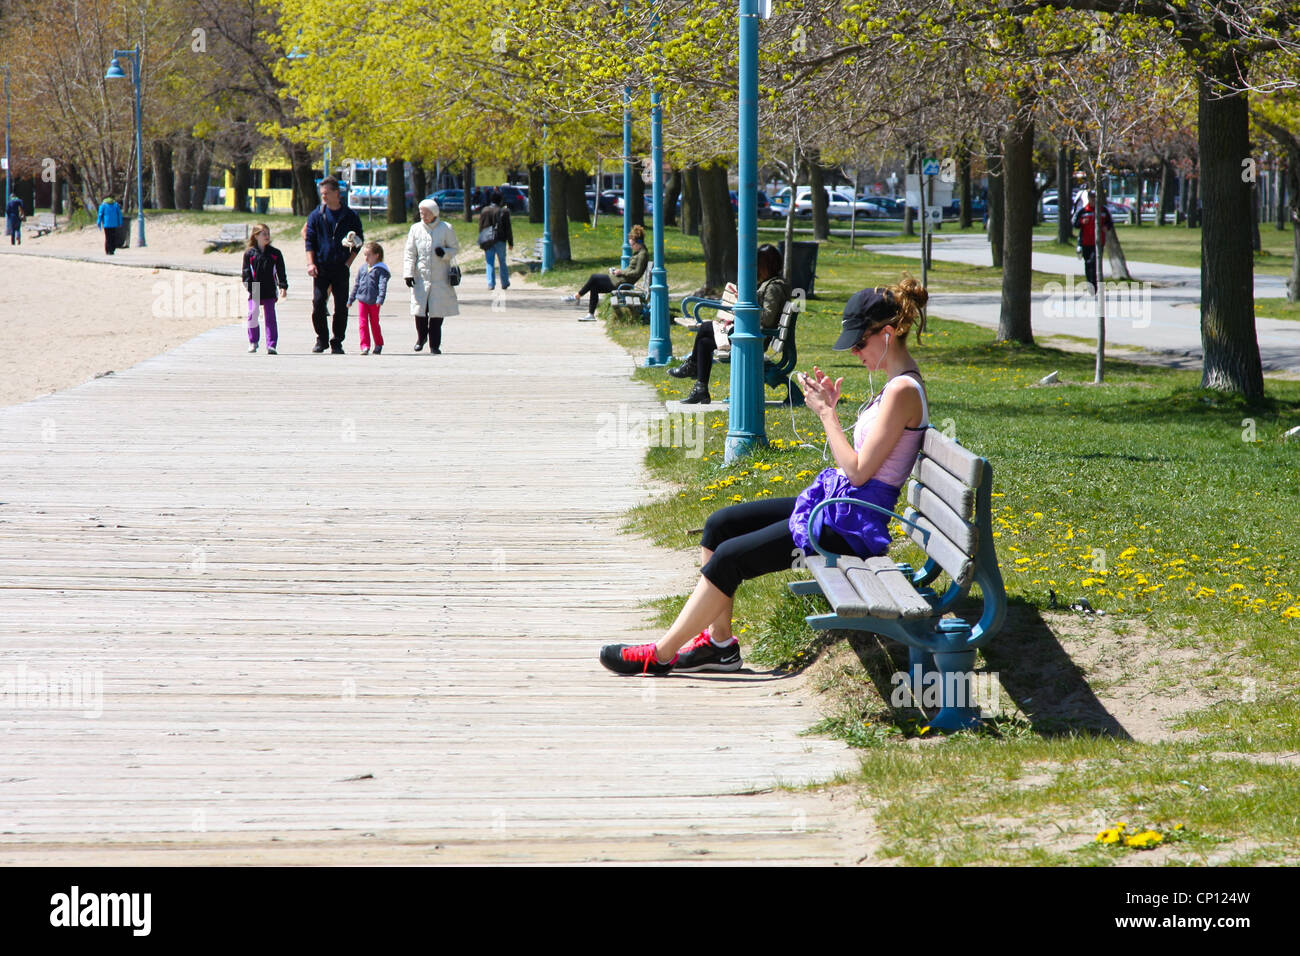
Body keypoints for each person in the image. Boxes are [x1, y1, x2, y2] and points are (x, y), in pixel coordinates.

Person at [600, 276, 930, 675]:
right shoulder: (895, 386)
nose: (856, 352)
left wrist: (827, 416)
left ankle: (662, 654)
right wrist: (833, 407)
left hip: (852, 525)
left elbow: (859, 472)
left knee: (729, 559)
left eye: (860, 343)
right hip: (841, 507)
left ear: (888, 334)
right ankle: (720, 646)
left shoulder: (902, 391)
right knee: (720, 526)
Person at [668, 244, 790, 404]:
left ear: (767, 265)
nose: (756, 269)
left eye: (758, 264)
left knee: (706, 327)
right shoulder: (770, 283)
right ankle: (701, 388)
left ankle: (692, 366)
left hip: (756, 338)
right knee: (705, 342)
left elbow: (767, 318)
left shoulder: (774, 287)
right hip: (752, 334)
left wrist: (746, 304)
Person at [304, 177, 364, 353]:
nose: (323, 196)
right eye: (321, 193)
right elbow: (310, 242)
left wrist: (348, 263)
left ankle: (337, 340)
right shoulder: (316, 215)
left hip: (340, 267)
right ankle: (321, 339)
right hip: (321, 267)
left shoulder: (350, 216)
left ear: (336, 193)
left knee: (341, 306)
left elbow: (359, 241)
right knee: (318, 303)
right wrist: (310, 263)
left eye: (326, 193)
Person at [404, 198, 460, 354]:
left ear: (434, 213)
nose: (423, 215)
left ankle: (435, 345)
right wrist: (408, 273)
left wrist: (444, 253)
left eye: (426, 213)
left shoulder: (446, 228)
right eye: (421, 212)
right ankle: (421, 337)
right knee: (419, 310)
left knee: (437, 312)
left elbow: (455, 248)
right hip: (421, 276)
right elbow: (409, 253)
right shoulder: (415, 229)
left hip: (440, 277)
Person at [564, 224, 648, 321]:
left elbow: (637, 273)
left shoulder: (642, 255)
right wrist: (617, 271)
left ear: (639, 242)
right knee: (594, 286)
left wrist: (621, 272)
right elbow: (631, 270)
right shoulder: (639, 252)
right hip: (619, 279)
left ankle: (577, 296)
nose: (631, 247)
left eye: (632, 244)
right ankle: (590, 315)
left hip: (621, 283)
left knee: (594, 277)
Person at [241, 223, 288, 354]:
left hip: (269, 288)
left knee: (270, 316)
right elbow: (245, 272)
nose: (267, 236)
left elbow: (281, 271)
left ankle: (271, 344)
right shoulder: (249, 254)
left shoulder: (275, 253)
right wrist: (248, 285)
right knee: (253, 314)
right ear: (256, 236)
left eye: (268, 233)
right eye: (264, 234)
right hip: (255, 287)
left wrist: (283, 286)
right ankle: (253, 341)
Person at [348, 241, 391, 355]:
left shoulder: (381, 270)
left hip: (374, 301)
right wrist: (351, 299)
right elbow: (357, 284)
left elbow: (382, 285)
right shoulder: (362, 269)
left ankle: (378, 344)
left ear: (376, 255)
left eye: (368, 255)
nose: (366, 258)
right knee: (362, 324)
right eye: (365, 255)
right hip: (362, 300)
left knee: (374, 323)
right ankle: (365, 346)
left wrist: (380, 298)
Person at [1072, 190, 1113, 293]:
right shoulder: (1083, 211)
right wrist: (1082, 222)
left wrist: (1106, 227)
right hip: (1085, 241)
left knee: (1094, 262)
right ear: (1088, 198)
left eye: (1095, 197)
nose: (1093, 199)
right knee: (1088, 263)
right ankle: (1089, 283)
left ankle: (1094, 285)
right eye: (1091, 197)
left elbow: (1110, 223)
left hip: (1098, 242)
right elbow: (1075, 224)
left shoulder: (1103, 210)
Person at [478, 189, 514, 291]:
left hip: (487, 239)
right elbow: (508, 228)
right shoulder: (504, 211)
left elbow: (480, 226)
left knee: (489, 262)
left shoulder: (485, 210)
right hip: (501, 239)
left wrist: (482, 240)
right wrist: (510, 242)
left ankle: (491, 283)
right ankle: (505, 282)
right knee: (502, 261)